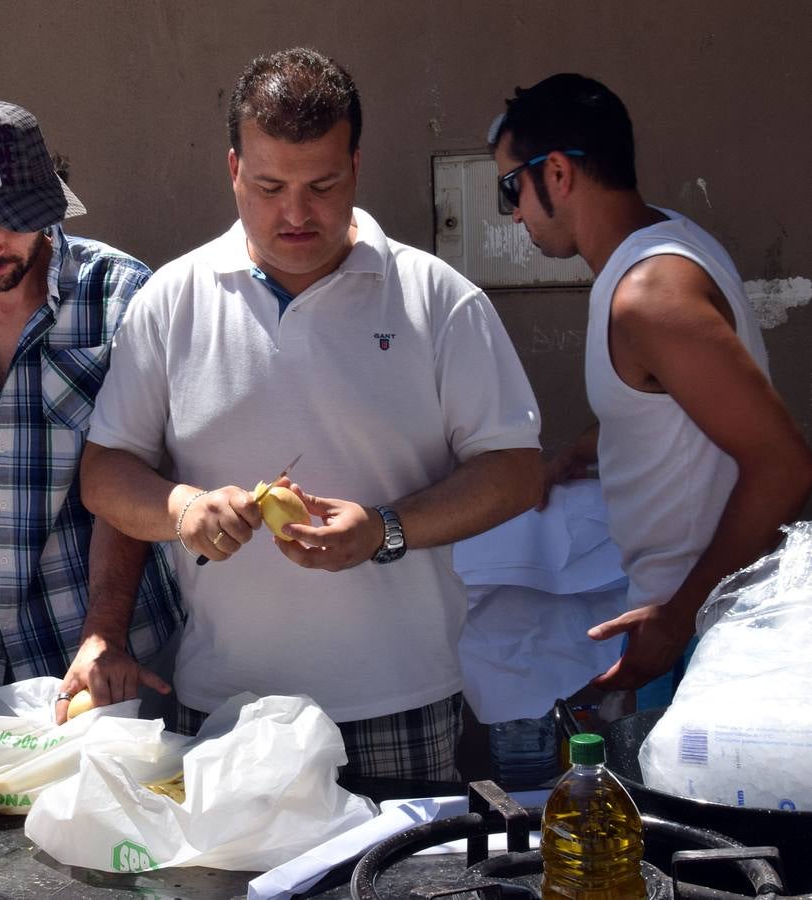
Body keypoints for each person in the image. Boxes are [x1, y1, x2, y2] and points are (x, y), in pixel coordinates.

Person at [80, 47, 543, 780]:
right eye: (268, 185)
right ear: (233, 170)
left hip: (403, 705)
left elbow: (516, 471)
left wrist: (386, 529)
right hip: (225, 712)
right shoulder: (171, 301)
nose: (295, 212)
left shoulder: (437, 299)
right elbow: (105, 473)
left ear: (356, 166)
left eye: (322, 184)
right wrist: (184, 507)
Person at [487, 73, 812, 693]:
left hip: (708, 639)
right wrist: (574, 455)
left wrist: (675, 619)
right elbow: (667, 406)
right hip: (696, 627)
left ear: (556, 174)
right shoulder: (665, 242)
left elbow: (785, 465)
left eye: (511, 187)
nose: (515, 212)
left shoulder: (649, 296)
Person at [0, 98, 183, 702]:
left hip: (111, 658)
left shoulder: (120, 292)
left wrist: (104, 633)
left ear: (51, 201)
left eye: (11, 219)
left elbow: (133, 471)